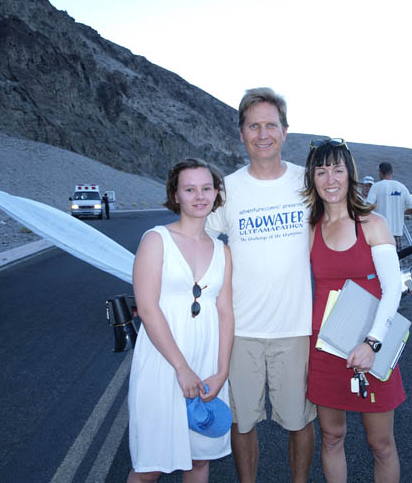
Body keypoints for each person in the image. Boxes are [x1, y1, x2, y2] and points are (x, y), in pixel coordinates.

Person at [206, 87, 316, 483]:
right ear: (241, 134)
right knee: (242, 421)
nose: (263, 134)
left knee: (299, 421)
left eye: (271, 125)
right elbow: (199, 240)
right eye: (254, 126)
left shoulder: (308, 183)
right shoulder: (227, 190)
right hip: (241, 330)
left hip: (295, 328)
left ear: (285, 131)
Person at [303, 139, 405, 482]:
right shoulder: (310, 229)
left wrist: (372, 342)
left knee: (381, 444)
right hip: (324, 348)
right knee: (331, 437)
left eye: (337, 170)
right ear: (312, 179)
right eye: (321, 172)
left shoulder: (372, 224)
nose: (330, 179)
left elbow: (393, 290)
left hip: (370, 346)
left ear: (350, 174)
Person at [127, 159, 234, 483]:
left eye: (206, 188)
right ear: (176, 195)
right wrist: (181, 367)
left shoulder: (222, 250)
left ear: (216, 194)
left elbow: (225, 311)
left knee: (199, 461)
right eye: (189, 189)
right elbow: (148, 309)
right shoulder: (155, 240)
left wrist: (222, 371)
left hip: (207, 363)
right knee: (149, 468)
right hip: (164, 363)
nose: (199, 196)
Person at [366, 162, 412, 250]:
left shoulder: (376, 186)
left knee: (380, 257)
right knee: (396, 257)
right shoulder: (401, 187)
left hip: (380, 232)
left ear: (380, 172)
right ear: (391, 172)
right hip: (397, 233)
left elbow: (367, 207)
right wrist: (402, 214)